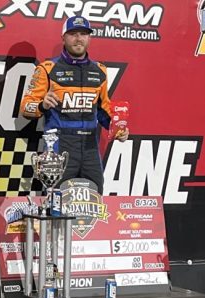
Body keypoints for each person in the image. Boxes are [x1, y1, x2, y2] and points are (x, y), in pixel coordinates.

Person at [20, 15, 129, 194]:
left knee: (94, 199)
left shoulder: (99, 70)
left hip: (90, 147)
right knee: (56, 203)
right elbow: (25, 107)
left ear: (89, 38)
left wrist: (117, 128)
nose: (79, 38)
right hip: (59, 145)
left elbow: (102, 110)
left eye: (83, 34)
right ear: (63, 37)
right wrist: (42, 105)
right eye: (73, 34)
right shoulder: (47, 69)